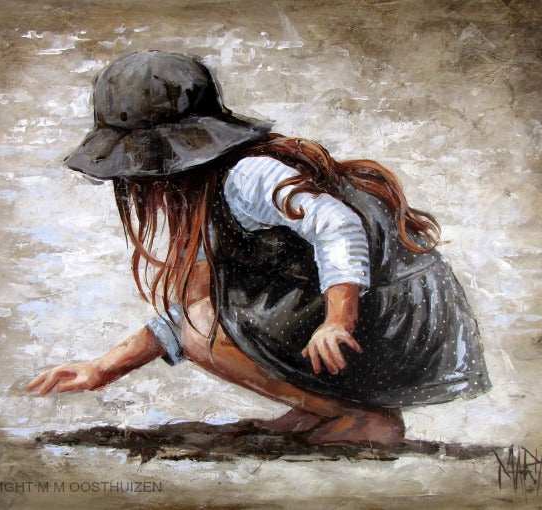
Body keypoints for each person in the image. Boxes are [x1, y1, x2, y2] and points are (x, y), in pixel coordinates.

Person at [27, 51, 491, 445]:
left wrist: (337, 320)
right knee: (202, 307)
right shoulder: (210, 194)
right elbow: (187, 310)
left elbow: (338, 224)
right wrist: (103, 369)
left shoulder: (245, 176)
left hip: (396, 318)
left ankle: (362, 418)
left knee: (203, 326)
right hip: (382, 313)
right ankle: (320, 406)